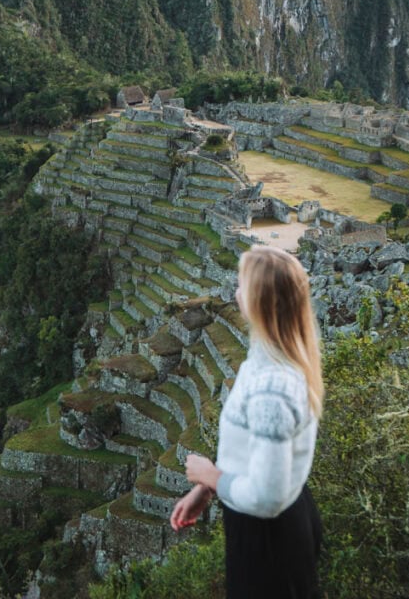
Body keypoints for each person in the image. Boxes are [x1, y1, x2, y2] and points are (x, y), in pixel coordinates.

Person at [170, 245, 324, 599]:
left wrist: (208, 475)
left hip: (268, 535)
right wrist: (207, 491)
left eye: (242, 284)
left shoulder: (272, 387)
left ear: (257, 302)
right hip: (272, 521)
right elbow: (252, 452)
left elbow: (267, 497)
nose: (235, 291)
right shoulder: (270, 358)